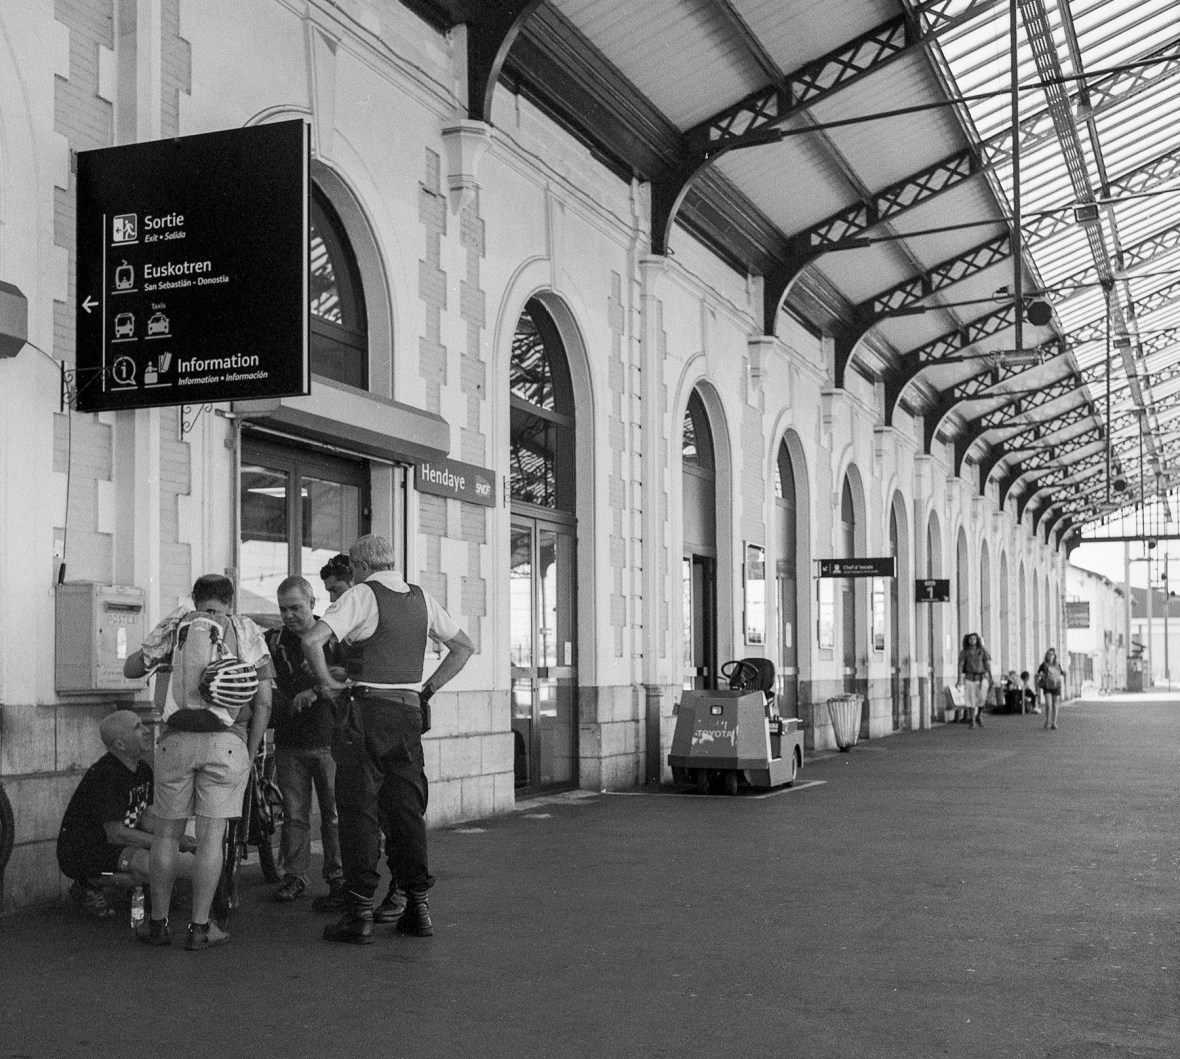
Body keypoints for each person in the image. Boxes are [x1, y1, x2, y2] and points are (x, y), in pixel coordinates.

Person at [302, 534, 474, 944]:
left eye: (354, 568)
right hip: (408, 714)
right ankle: (418, 907)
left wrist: (327, 684)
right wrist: (426, 690)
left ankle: (359, 911)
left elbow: (311, 640)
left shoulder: (362, 595)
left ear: (361, 566)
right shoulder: (421, 598)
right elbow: (464, 647)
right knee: (406, 812)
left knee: (359, 811)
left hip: (366, 715)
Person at [124, 574, 273, 950]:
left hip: (175, 741)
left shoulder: (177, 623)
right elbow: (264, 700)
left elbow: (132, 669)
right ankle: (200, 928)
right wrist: (250, 748)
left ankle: (157, 924)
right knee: (211, 838)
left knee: (166, 835)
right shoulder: (246, 629)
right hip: (227, 742)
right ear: (230, 600)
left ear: (195, 597)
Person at [56, 710, 195, 918]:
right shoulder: (106, 775)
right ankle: (87, 883)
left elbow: (148, 819)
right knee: (150, 868)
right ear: (120, 745)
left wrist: (177, 838)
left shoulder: (143, 770)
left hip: (118, 846)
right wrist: (166, 843)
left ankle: (144, 888)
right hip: (85, 850)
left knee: (172, 864)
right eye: (137, 727)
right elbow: (116, 834)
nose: (147, 730)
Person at [265, 576, 345, 907]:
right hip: (289, 741)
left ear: (312, 603)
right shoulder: (274, 642)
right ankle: (294, 877)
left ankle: (338, 877)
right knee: (294, 815)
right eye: (283, 609)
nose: (289, 615)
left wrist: (314, 690)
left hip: (329, 740)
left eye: (295, 608)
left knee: (334, 814)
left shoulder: (332, 636)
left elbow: (347, 673)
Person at [956, 632, 993, 729]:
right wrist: (959, 679)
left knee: (982, 699)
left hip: (981, 678)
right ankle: (972, 720)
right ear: (967, 640)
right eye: (970, 639)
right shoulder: (964, 652)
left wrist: (990, 676)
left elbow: (987, 663)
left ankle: (979, 715)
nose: (972, 641)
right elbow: (960, 666)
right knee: (970, 700)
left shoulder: (982, 650)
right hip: (970, 677)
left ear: (977, 640)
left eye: (974, 639)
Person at [1037, 648, 1066, 730]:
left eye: (1052, 654)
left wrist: (1064, 674)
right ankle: (1047, 720)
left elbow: (1061, 672)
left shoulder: (1057, 664)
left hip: (1056, 686)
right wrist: (1041, 677)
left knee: (1055, 705)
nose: (1050, 656)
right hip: (1047, 686)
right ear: (1046, 656)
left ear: (1054, 656)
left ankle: (1054, 723)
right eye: (1049, 654)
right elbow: (1038, 674)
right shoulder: (1043, 665)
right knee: (1048, 704)